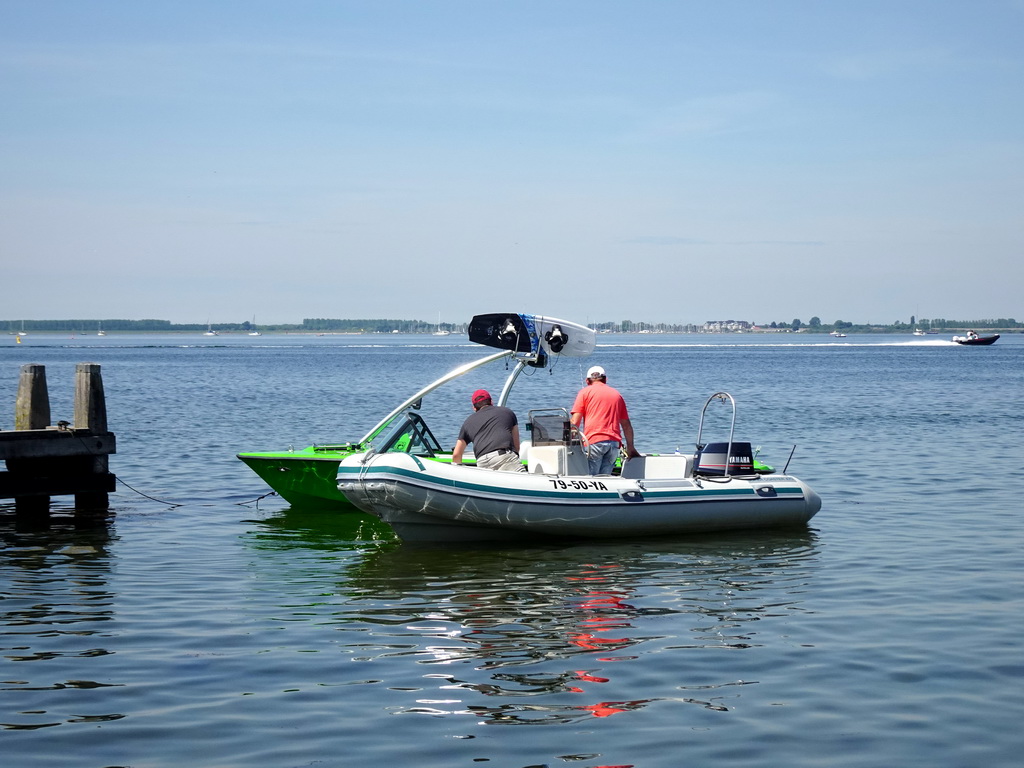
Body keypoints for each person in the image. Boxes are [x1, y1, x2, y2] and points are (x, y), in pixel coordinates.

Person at [570, 365, 640, 475]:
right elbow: (626, 425)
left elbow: (574, 423)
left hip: (594, 441)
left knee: (592, 478)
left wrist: (566, 441)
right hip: (613, 444)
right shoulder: (617, 395)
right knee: (605, 478)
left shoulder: (584, 393)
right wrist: (630, 447)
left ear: (587, 381)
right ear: (605, 379)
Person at [452, 389, 526, 472]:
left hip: (482, 462)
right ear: (491, 401)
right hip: (503, 457)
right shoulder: (507, 412)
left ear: (474, 408)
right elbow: (516, 446)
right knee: (526, 482)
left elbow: (456, 455)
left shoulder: (467, 422)